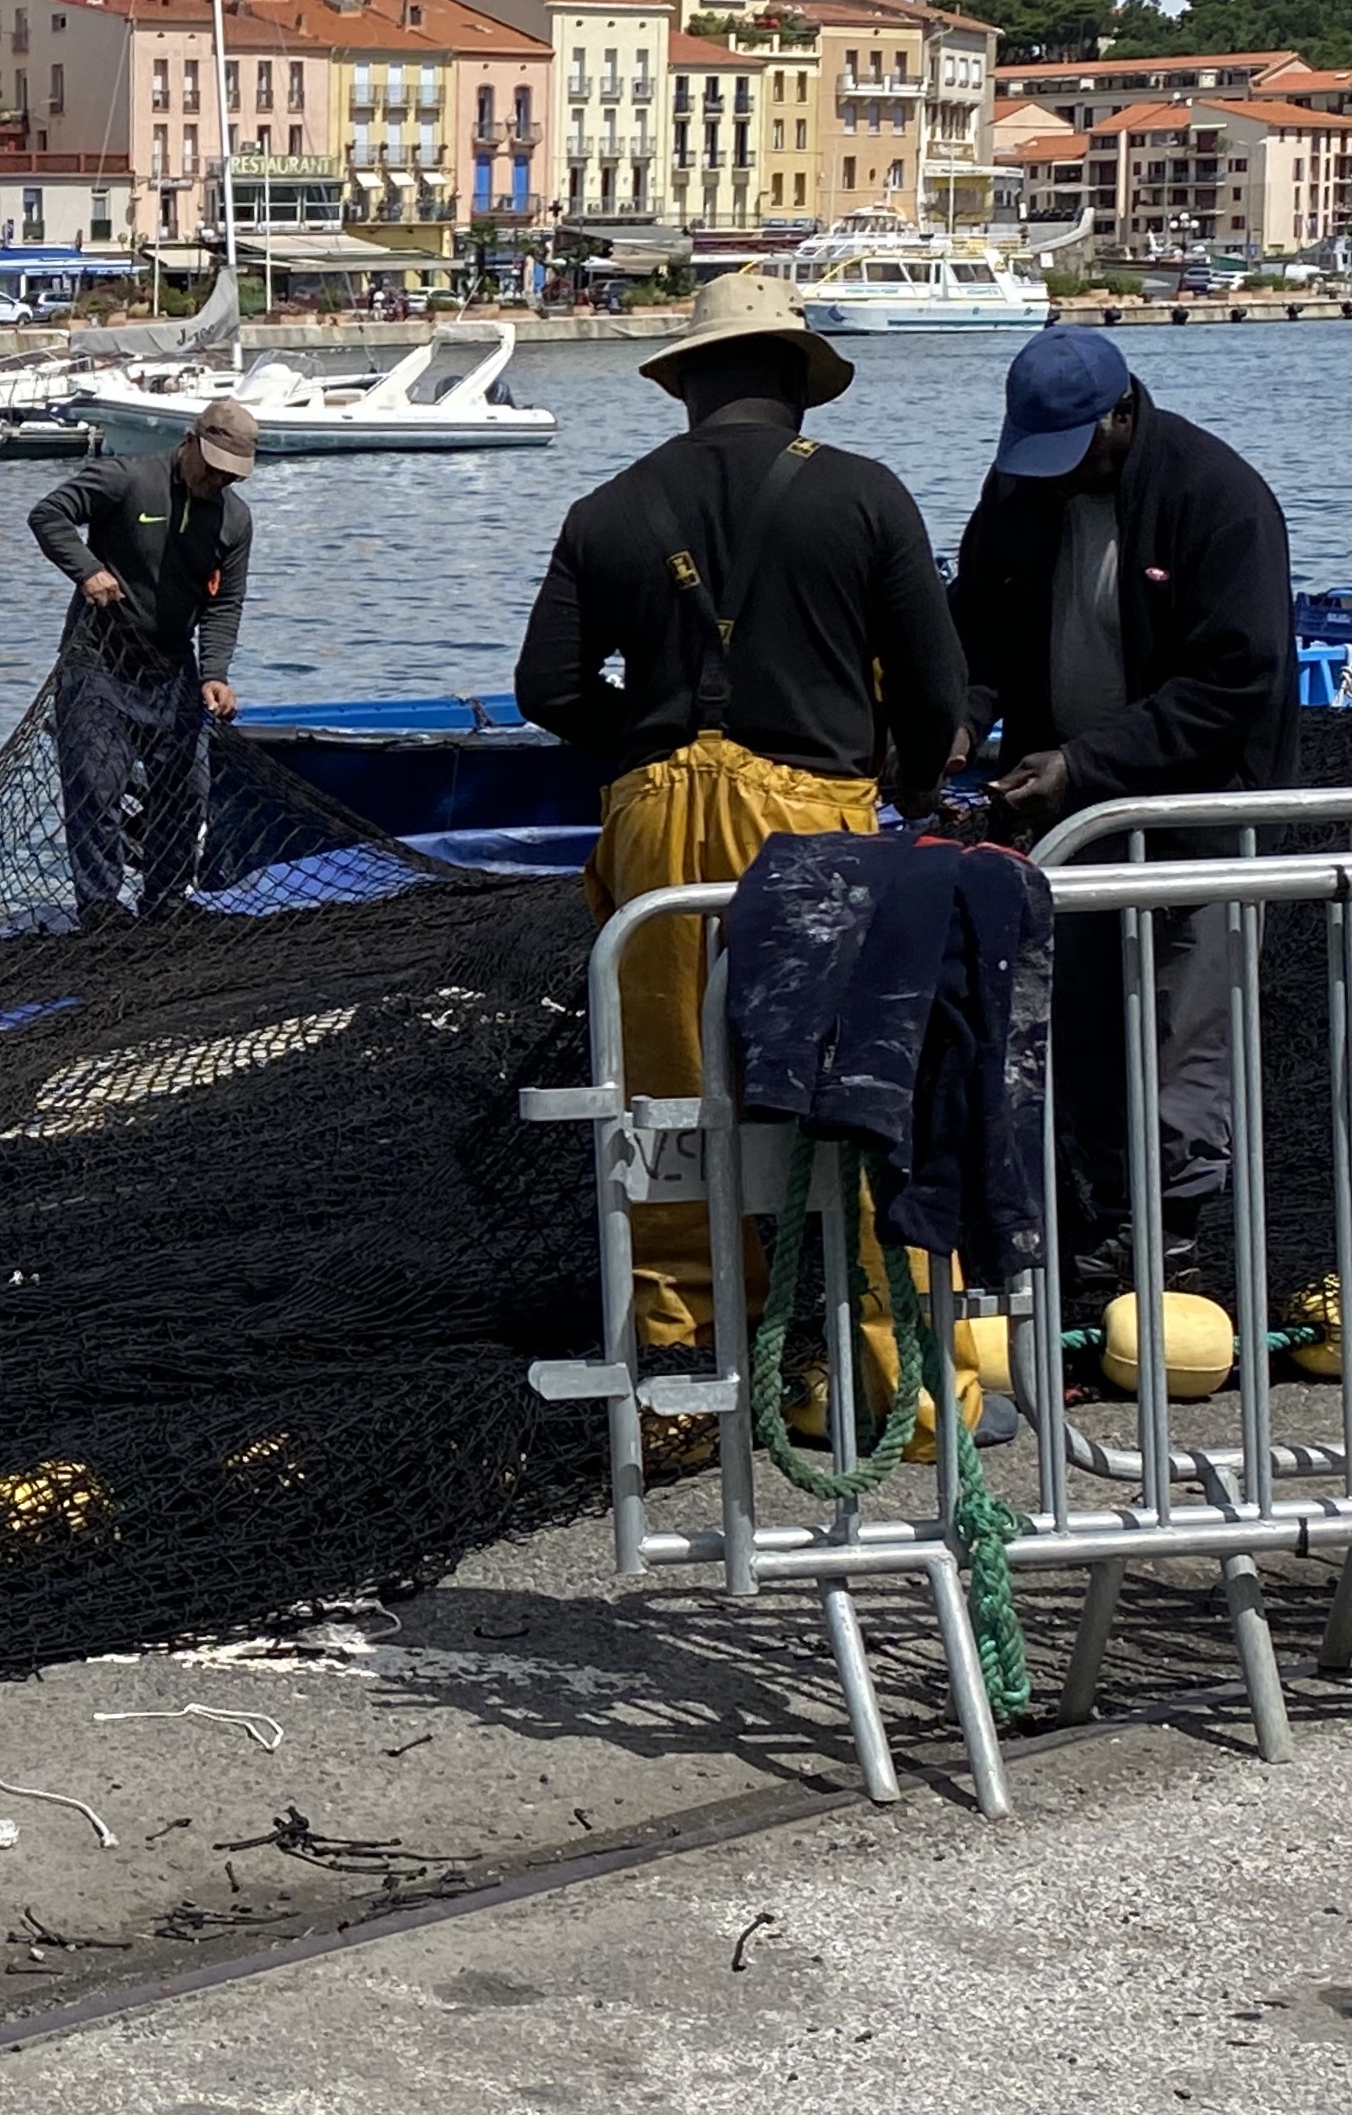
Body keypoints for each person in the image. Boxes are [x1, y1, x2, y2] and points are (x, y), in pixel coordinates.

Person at [513, 273, 973, 1387]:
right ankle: (904, 1377)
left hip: (656, 828)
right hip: (815, 825)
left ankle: (686, 1355)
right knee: (861, 1091)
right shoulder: (865, 496)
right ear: (797, 383)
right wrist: (910, 778)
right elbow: (934, 690)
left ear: (683, 385)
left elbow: (545, 685)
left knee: (667, 1092)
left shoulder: (607, 508)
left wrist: (645, 738)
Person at [952, 324, 1294, 1290]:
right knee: (1082, 1012)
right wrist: (959, 720)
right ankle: (1103, 1208)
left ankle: (1172, 1226)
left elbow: (1236, 679)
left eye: (1073, 450)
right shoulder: (1019, 492)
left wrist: (1083, 761)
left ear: (1121, 416)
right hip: (1068, 807)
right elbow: (978, 625)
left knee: (1184, 1018)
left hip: (1197, 809)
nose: (1057, 471)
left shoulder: (1217, 498)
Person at [28, 401, 256, 926]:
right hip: (98, 663)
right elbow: (48, 515)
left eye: (231, 474)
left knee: (187, 790)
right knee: (96, 788)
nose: (219, 480)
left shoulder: (235, 519)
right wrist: (86, 570)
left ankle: (167, 898)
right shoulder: (126, 479)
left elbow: (225, 602)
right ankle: (100, 906)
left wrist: (215, 672)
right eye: (214, 467)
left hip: (173, 670)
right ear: (191, 441)